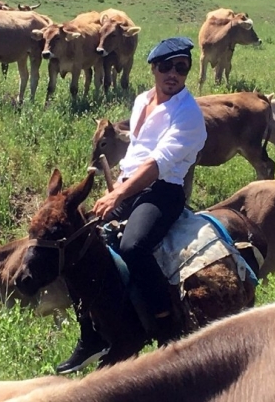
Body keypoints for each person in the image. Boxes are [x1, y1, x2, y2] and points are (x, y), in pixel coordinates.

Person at [55, 36, 207, 374]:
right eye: (166, 66)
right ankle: (91, 335)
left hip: (163, 190)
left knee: (134, 246)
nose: (173, 74)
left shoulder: (189, 115)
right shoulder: (142, 100)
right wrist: (119, 187)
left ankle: (165, 325)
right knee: (80, 242)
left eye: (181, 67)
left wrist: (117, 196)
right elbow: (136, 152)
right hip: (129, 185)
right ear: (153, 68)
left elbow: (156, 164)